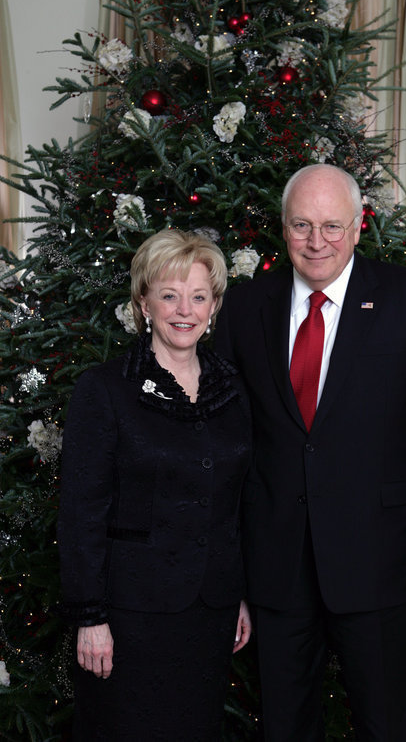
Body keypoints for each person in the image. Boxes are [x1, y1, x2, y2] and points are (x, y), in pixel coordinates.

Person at [215, 163, 406, 741]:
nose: (316, 241)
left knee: (384, 726)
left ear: (358, 227)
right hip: (276, 564)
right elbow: (226, 439)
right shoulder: (245, 306)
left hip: (379, 560)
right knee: (284, 727)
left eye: (332, 226)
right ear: (284, 228)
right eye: (302, 225)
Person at [58, 229, 252, 741]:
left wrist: (239, 597)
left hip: (209, 613)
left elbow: (235, 506)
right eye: (169, 294)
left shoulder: (232, 389)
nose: (183, 309)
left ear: (214, 307)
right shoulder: (105, 389)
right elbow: (81, 512)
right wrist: (89, 617)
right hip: (128, 618)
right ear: (144, 303)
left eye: (198, 296)